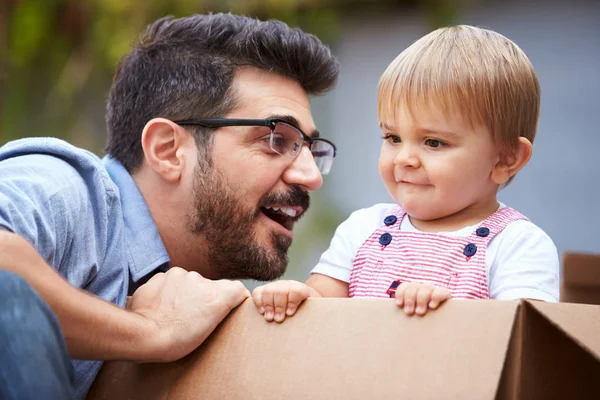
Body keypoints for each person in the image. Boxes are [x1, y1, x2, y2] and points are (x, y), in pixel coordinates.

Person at [0, 13, 339, 399]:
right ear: (167, 150)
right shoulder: (69, 190)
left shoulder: (206, 302)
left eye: (312, 149)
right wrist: (152, 331)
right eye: (277, 139)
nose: (311, 176)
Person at [252, 25, 559, 323]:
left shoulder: (518, 244)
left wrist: (450, 318)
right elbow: (322, 305)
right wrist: (296, 297)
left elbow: (523, 341)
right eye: (393, 138)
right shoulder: (363, 230)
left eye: (434, 142)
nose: (404, 159)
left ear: (506, 159)